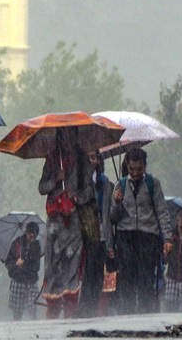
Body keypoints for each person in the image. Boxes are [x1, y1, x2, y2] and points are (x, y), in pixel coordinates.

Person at [110, 147, 173, 315]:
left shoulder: (153, 184)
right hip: (126, 237)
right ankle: (127, 314)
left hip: (148, 237)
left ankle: (146, 315)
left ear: (145, 166)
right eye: (131, 169)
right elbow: (113, 218)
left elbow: (162, 212)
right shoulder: (120, 185)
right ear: (127, 166)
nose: (135, 173)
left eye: (139, 169)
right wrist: (117, 202)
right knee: (126, 278)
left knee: (146, 278)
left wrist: (167, 238)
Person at [38, 130, 93, 319]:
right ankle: (52, 309)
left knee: (73, 263)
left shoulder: (82, 159)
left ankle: (70, 310)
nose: (64, 140)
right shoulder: (52, 159)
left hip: (73, 220)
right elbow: (41, 187)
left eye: (68, 136)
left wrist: (76, 196)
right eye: (61, 136)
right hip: (54, 219)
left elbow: (89, 191)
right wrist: (55, 180)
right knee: (52, 264)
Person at [79, 149, 113, 317]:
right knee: (87, 271)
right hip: (86, 232)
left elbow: (109, 213)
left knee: (98, 271)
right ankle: (84, 307)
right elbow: (81, 200)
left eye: (96, 158)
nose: (93, 161)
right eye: (90, 158)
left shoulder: (106, 183)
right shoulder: (81, 181)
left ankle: (92, 307)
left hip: (102, 232)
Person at [6, 221, 42, 321]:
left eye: (34, 234)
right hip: (18, 280)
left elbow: (36, 266)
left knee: (32, 309)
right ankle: (16, 327)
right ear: (26, 232)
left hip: (31, 282)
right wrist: (15, 265)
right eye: (30, 233)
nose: (32, 236)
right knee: (17, 311)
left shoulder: (36, 246)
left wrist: (24, 262)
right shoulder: (17, 243)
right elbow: (8, 261)